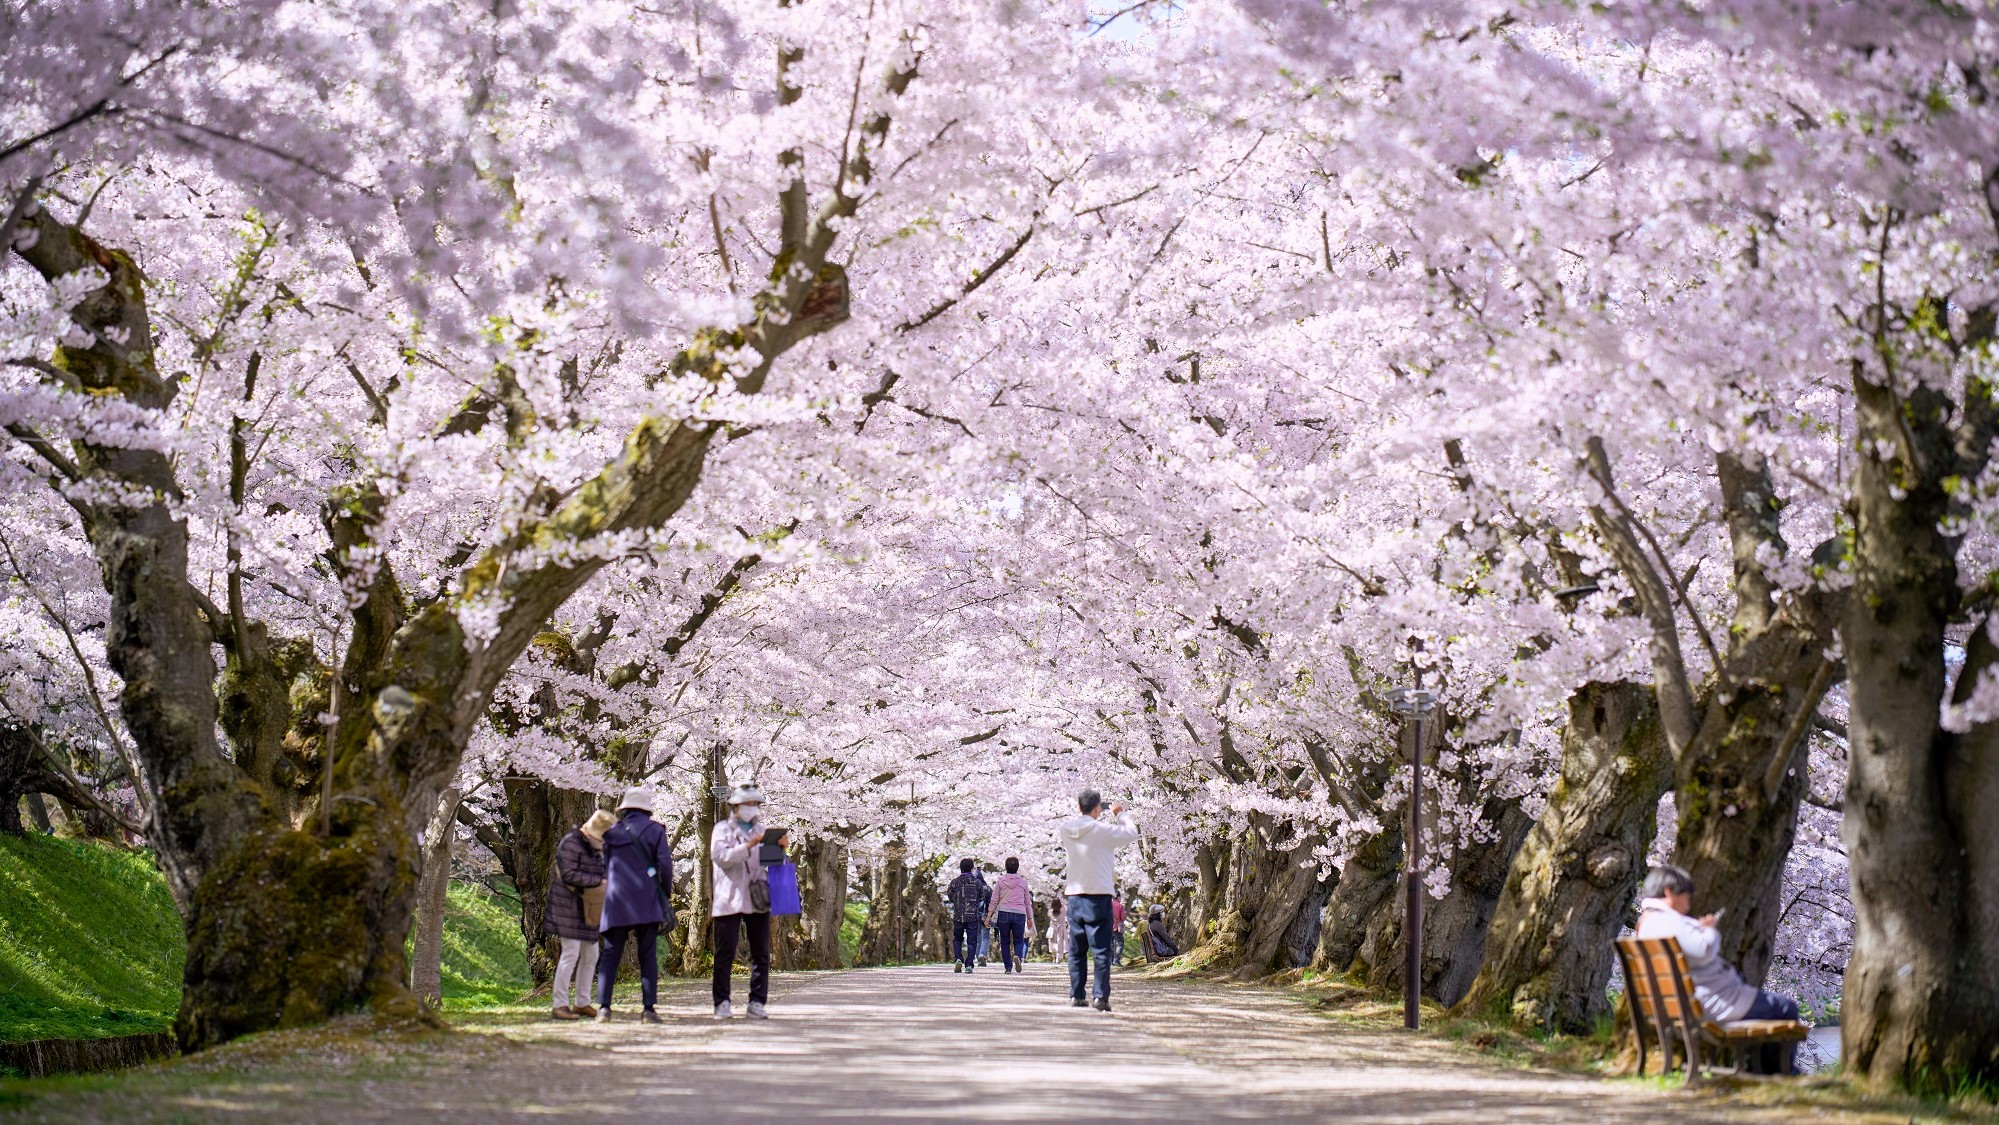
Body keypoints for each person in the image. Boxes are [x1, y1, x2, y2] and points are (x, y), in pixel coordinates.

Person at [1636, 864, 1802, 1073]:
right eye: (1686, 896)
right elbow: (1703, 948)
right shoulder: (1666, 921)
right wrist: (1709, 930)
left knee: (1776, 1006)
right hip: (1712, 1003)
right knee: (1785, 1008)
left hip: (1687, 1004)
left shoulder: (1649, 922)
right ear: (1669, 892)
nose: (1689, 904)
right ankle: (1782, 1073)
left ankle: (1768, 1070)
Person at [1058, 789, 1139, 1011]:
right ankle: (1100, 997)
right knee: (1102, 950)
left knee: (1077, 950)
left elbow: (1080, 823)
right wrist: (1120, 813)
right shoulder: (1103, 831)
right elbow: (1131, 833)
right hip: (1099, 896)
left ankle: (1076, 994)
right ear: (1097, 809)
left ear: (1078, 807)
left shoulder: (1066, 829)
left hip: (1074, 895)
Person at [597, 788, 672, 1024]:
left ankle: (604, 1009)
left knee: (610, 954)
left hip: (616, 899)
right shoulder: (655, 830)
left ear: (625, 808)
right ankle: (648, 1010)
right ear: (646, 808)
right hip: (646, 898)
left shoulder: (611, 833)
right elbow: (665, 865)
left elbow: (605, 866)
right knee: (647, 954)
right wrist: (664, 894)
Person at [712, 784, 775, 1019]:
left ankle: (757, 1002)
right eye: (747, 804)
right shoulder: (722, 830)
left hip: (757, 896)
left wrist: (779, 849)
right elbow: (722, 857)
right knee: (725, 952)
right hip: (729, 897)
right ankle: (722, 1002)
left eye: (755, 804)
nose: (751, 808)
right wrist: (748, 845)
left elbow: (770, 863)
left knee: (761, 952)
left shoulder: (762, 830)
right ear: (736, 806)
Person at [547, 809, 614, 1019]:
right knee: (570, 953)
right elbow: (568, 874)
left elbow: (602, 869)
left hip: (589, 907)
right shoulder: (571, 843)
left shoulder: (594, 848)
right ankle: (560, 1004)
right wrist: (598, 882)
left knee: (591, 954)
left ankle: (582, 1002)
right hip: (568, 906)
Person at [986, 856, 1032, 974]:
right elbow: (1027, 902)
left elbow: (994, 900)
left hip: (1004, 913)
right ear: (1018, 867)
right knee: (1018, 940)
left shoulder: (1001, 881)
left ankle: (1008, 967)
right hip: (1019, 914)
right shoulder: (1023, 882)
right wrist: (1030, 917)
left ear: (1006, 867)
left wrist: (988, 916)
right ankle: (1017, 955)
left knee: (1005, 941)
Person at [946, 858, 985, 973]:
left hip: (958, 915)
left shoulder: (954, 882)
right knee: (972, 941)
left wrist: (958, 901)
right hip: (972, 915)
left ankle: (958, 958)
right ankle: (969, 965)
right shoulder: (977, 882)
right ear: (972, 869)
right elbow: (981, 898)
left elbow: (950, 895)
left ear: (960, 868)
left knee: (958, 938)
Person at [1048, 894, 1069, 962]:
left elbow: (1049, 916)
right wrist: (1062, 905)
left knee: (1052, 943)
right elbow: (1066, 910)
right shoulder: (1063, 910)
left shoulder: (1050, 911)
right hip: (1061, 928)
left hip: (1052, 928)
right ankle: (1058, 957)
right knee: (1060, 942)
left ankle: (1054, 957)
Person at [1110, 895, 1127, 967]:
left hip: (1108, 927)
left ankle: (1110, 961)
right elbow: (1123, 917)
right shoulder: (1120, 906)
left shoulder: (1107, 904)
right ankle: (1116, 960)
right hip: (1117, 927)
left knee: (1110, 944)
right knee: (1120, 943)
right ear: (1118, 897)